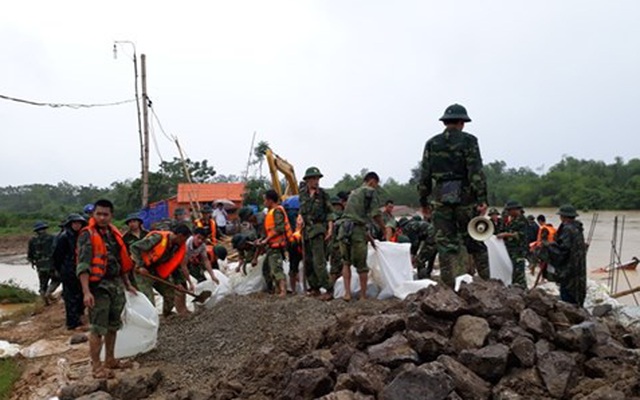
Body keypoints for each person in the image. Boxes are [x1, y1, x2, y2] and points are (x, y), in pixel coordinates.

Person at [418, 104, 489, 288]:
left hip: (441, 196)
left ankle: (449, 286)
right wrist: (482, 199)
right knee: (474, 238)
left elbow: (424, 176)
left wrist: (423, 202)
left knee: (445, 243)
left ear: (446, 122)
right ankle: (486, 283)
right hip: (465, 196)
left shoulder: (432, 143)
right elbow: (476, 171)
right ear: (462, 122)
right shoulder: (469, 141)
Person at [76, 199, 137, 378]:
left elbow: (121, 262)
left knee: (113, 325)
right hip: (98, 287)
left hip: (116, 284)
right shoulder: (87, 234)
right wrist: (86, 292)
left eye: (106, 214)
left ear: (111, 216)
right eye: (99, 214)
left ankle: (110, 359)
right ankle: (96, 367)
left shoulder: (114, 234)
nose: (102, 217)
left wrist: (127, 284)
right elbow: (83, 265)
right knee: (97, 328)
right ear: (93, 215)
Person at [338, 171, 388, 301]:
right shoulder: (369, 192)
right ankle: (363, 296)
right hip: (356, 231)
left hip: (344, 229)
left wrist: (370, 239)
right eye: (376, 185)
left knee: (346, 262)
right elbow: (375, 214)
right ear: (372, 181)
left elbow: (356, 216)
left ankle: (347, 294)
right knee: (362, 265)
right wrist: (383, 228)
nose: (375, 187)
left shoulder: (353, 193)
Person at [129, 224, 193, 316]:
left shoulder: (176, 246)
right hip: (142, 272)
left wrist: (178, 282)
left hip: (156, 271)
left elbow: (175, 265)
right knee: (149, 301)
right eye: (185, 239)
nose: (185, 242)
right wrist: (140, 266)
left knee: (170, 294)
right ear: (179, 236)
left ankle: (167, 315)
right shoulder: (157, 238)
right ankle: (150, 321)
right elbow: (134, 247)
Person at [298, 167, 334, 299]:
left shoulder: (323, 194)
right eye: (313, 178)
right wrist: (300, 217)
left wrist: (330, 228)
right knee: (307, 261)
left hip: (318, 229)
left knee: (319, 261)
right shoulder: (302, 194)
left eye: (317, 178)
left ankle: (329, 288)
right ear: (307, 180)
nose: (316, 181)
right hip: (306, 231)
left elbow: (330, 212)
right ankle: (314, 287)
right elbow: (302, 210)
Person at [543, 205, 586, 306]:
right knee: (576, 294)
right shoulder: (577, 228)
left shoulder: (567, 229)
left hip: (568, 270)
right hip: (578, 269)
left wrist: (548, 246)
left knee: (568, 297)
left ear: (563, 217)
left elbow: (563, 250)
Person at [52, 214, 87, 330]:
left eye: (79, 223)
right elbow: (57, 256)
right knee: (70, 296)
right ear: (70, 224)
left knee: (81, 294)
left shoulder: (82, 236)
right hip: (68, 270)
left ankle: (79, 317)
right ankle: (72, 322)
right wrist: (60, 270)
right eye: (75, 223)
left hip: (79, 269)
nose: (77, 225)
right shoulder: (64, 237)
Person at [257, 189, 292, 298]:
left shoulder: (277, 211)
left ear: (270, 200)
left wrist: (266, 240)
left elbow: (279, 228)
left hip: (277, 246)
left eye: (265, 200)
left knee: (276, 268)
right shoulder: (271, 212)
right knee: (267, 269)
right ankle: (275, 289)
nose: (264, 203)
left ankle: (282, 290)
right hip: (271, 246)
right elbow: (269, 230)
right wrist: (262, 240)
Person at [496, 200, 528, 287]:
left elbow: (521, 235)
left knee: (519, 273)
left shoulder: (522, 220)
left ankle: (522, 290)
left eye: (509, 210)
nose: (508, 212)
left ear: (515, 210)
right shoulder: (512, 220)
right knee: (512, 271)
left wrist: (506, 234)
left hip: (519, 251)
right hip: (512, 250)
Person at [28, 221, 58, 304]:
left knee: (42, 284)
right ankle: (49, 293)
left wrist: (33, 263)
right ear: (45, 229)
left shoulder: (32, 241)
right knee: (57, 280)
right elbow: (56, 251)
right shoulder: (52, 238)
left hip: (40, 266)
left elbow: (30, 255)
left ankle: (44, 301)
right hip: (51, 265)